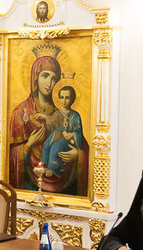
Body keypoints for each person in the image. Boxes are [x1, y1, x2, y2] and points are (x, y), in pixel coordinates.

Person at [7, 51, 89, 197]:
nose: (50, 83)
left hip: (64, 184)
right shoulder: (20, 112)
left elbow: (85, 148)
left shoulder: (65, 113)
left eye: (54, 78)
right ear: (35, 78)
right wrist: (28, 145)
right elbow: (8, 156)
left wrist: (78, 155)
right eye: (45, 76)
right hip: (29, 185)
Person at [41, 86, 83, 179]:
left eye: (67, 98)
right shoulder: (57, 114)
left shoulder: (75, 115)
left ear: (72, 99)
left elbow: (79, 132)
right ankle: (43, 165)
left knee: (56, 147)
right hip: (57, 135)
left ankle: (53, 168)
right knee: (46, 144)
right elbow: (51, 125)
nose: (64, 101)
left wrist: (72, 134)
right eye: (62, 97)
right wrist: (44, 117)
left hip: (68, 140)